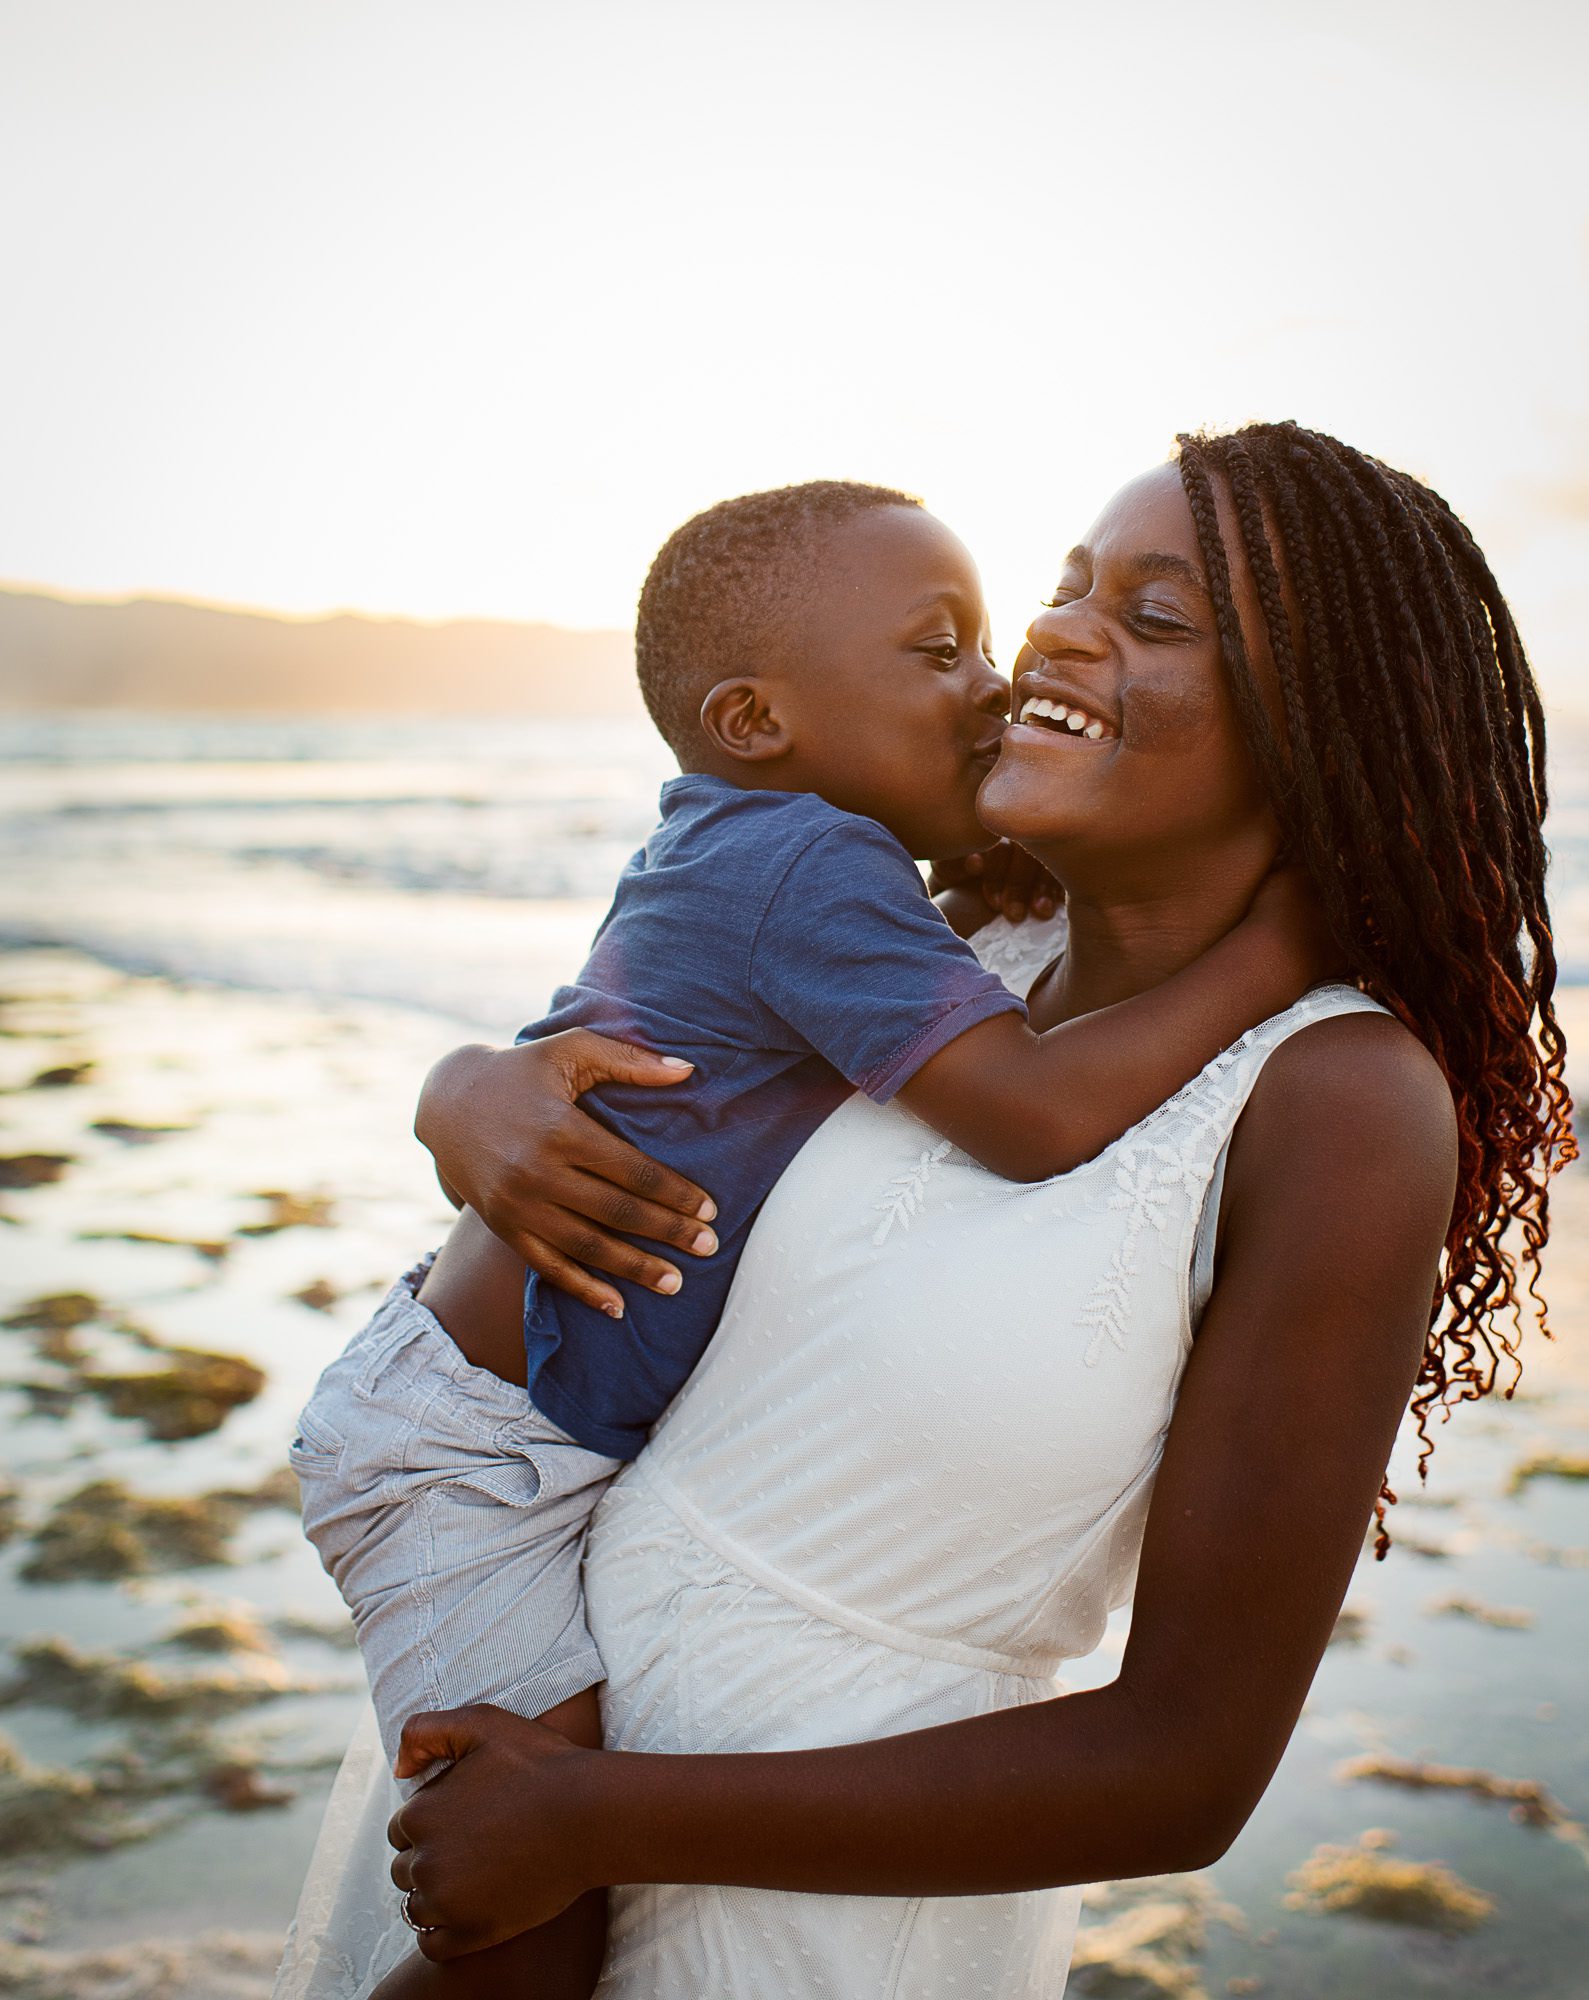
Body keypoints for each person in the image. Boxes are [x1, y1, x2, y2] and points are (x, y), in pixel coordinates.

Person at [275, 424, 1572, 1998]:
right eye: (1067, 586)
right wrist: (470, 1087)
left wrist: (596, 1819)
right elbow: (657, 1046)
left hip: (787, 1914)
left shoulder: (1339, 1101)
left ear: (1324, 729)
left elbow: (1186, 1769)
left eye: (1153, 619)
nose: (1053, 635)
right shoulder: (965, 945)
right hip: (546, 1730)